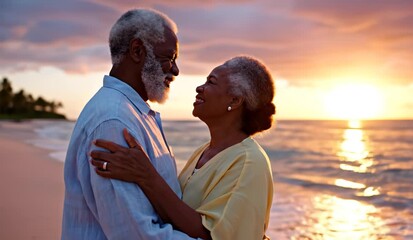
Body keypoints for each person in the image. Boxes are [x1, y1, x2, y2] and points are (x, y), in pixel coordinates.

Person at [90, 56, 276, 240]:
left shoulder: (249, 162)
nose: (199, 88)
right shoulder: (203, 151)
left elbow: (209, 234)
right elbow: (174, 213)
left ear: (235, 101)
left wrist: (145, 175)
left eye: (211, 82)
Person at [61, 9, 198, 239]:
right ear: (137, 51)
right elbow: (136, 233)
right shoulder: (114, 121)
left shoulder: (132, 114)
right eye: (169, 58)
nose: (175, 70)